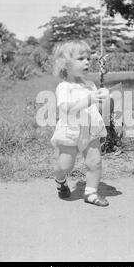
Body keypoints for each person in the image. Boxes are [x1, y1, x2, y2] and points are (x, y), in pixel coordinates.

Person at [50, 40, 110, 207]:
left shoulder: (89, 84)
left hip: (90, 130)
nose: (87, 62)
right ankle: (60, 179)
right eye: (81, 58)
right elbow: (66, 109)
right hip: (70, 132)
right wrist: (88, 100)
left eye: (88, 58)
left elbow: (95, 106)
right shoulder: (64, 87)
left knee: (95, 162)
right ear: (65, 64)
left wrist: (102, 96)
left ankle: (91, 193)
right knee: (65, 165)